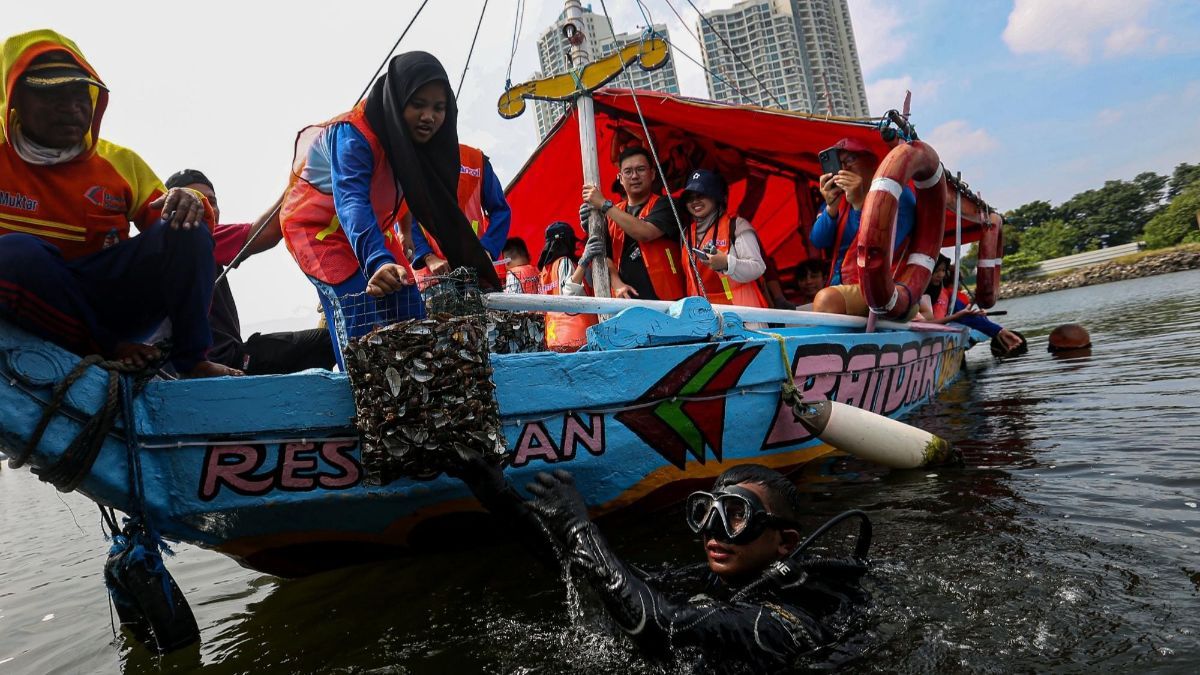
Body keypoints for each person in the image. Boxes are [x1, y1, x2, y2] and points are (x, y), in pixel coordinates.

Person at [454, 461, 870, 671]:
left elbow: (661, 626)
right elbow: (609, 578)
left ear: (785, 543)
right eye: (706, 511)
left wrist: (581, 527)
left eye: (736, 515)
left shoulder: (786, 619)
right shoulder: (720, 578)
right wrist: (497, 496)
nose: (714, 530)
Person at [0, 30, 235, 378]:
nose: (72, 108)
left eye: (80, 94)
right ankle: (107, 347)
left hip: (110, 301)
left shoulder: (120, 163)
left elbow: (172, 226)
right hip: (34, 297)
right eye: (53, 95)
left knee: (186, 227)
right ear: (14, 96)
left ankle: (193, 359)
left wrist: (191, 199)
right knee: (17, 253)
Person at [280, 52, 498, 369]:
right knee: (359, 312)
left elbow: (416, 196)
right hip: (322, 233)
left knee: (412, 315)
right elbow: (351, 200)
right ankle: (357, 405)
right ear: (398, 101)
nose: (429, 117)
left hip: (374, 232)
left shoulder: (414, 143)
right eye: (418, 104)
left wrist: (407, 234)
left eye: (439, 108)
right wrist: (378, 261)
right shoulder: (353, 135)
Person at [165, 169, 336, 375]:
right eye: (197, 201)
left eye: (213, 201)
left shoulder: (161, 247)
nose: (208, 208)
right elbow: (268, 231)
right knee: (327, 342)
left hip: (194, 364)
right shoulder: (195, 238)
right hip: (224, 360)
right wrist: (306, 173)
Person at [810, 138, 915, 317]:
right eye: (839, 163)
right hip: (842, 287)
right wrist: (830, 208)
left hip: (885, 288)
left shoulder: (896, 193)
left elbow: (880, 248)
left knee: (826, 300)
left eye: (851, 160)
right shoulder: (840, 198)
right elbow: (818, 240)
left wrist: (859, 203)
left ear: (873, 164)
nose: (844, 168)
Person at [581, 146, 685, 302]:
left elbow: (645, 233)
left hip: (669, 302)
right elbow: (605, 256)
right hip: (627, 303)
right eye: (628, 172)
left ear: (653, 174)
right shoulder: (613, 214)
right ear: (620, 179)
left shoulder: (667, 204)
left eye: (641, 169)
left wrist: (604, 205)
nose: (634, 176)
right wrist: (617, 284)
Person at [409, 143, 511, 276]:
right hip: (433, 275)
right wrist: (428, 257)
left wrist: (487, 248)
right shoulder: (409, 160)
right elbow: (403, 215)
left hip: (474, 270)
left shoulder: (475, 159)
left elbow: (500, 211)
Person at [681, 169, 768, 308]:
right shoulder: (686, 234)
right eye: (689, 197)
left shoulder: (737, 225)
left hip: (743, 317)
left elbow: (758, 267)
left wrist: (727, 264)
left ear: (717, 196)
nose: (695, 201)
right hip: (702, 319)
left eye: (701, 195)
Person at [918, 255, 1025, 354]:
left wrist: (997, 330)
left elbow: (963, 314)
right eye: (936, 271)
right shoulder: (933, 294)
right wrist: (997, 330)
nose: (941, 275)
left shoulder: (944, 295)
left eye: (943, 271)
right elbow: (961, 315)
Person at [537, 221, 597, 351]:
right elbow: (569, 296)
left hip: (555, 339)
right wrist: (584, 262)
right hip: (579, 337)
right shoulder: (564, 262)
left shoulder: (544, 271)